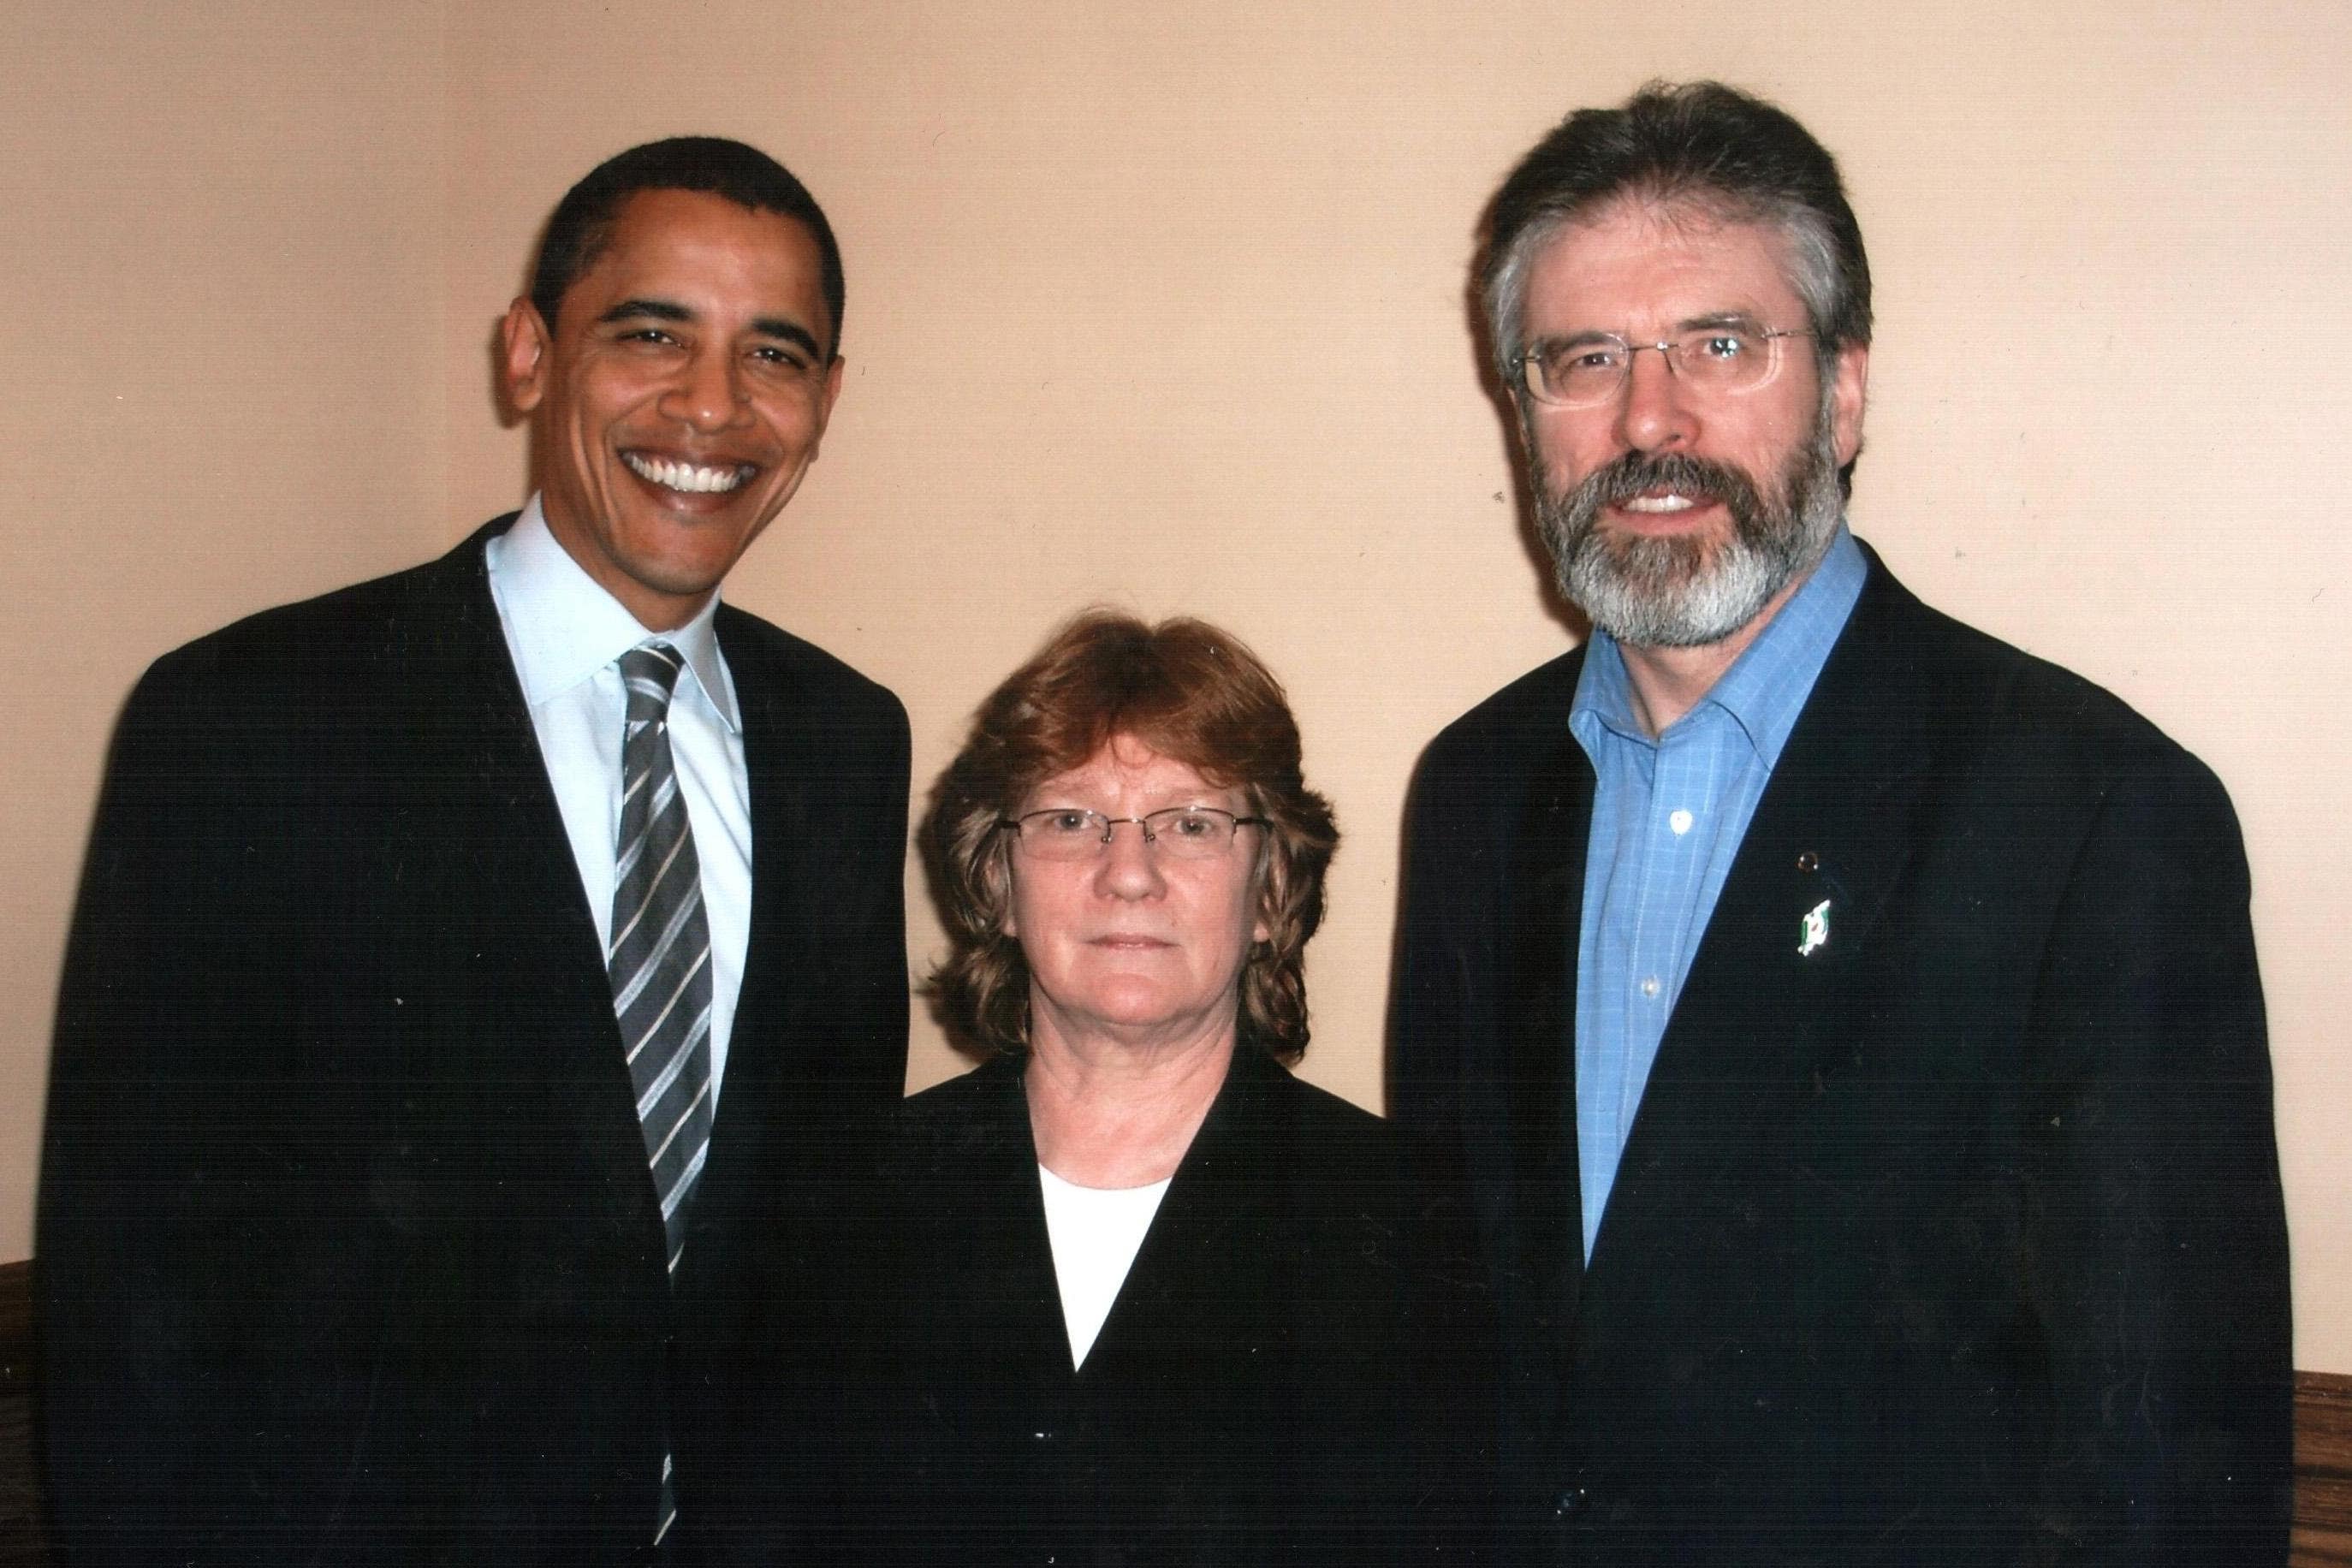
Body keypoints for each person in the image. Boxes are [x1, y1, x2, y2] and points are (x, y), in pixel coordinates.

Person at [1389, 81, 2291, 1562]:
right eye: (1582, 359)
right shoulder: (1474, 791)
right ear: (1520, 413)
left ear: (1846, 389)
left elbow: (2170, 1484)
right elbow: (1446, 1367)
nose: (1648, 418)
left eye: (1720, 345)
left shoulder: (2093, 819)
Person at [38, 137, 910, 1561]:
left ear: (823, 405)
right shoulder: (254, 719)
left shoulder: (849, 740)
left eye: (775, 354)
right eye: (650, 333)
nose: (710, 404)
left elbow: (814, 1246)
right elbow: (133, 1291)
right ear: (526, 355)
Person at [758, 613, 1483, 1563]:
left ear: (1271, 890)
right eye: (1069, 820)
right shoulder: (838, 1207)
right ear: (997, 878)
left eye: (1190, 822)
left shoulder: (1417, 1222)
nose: (1128, 873)